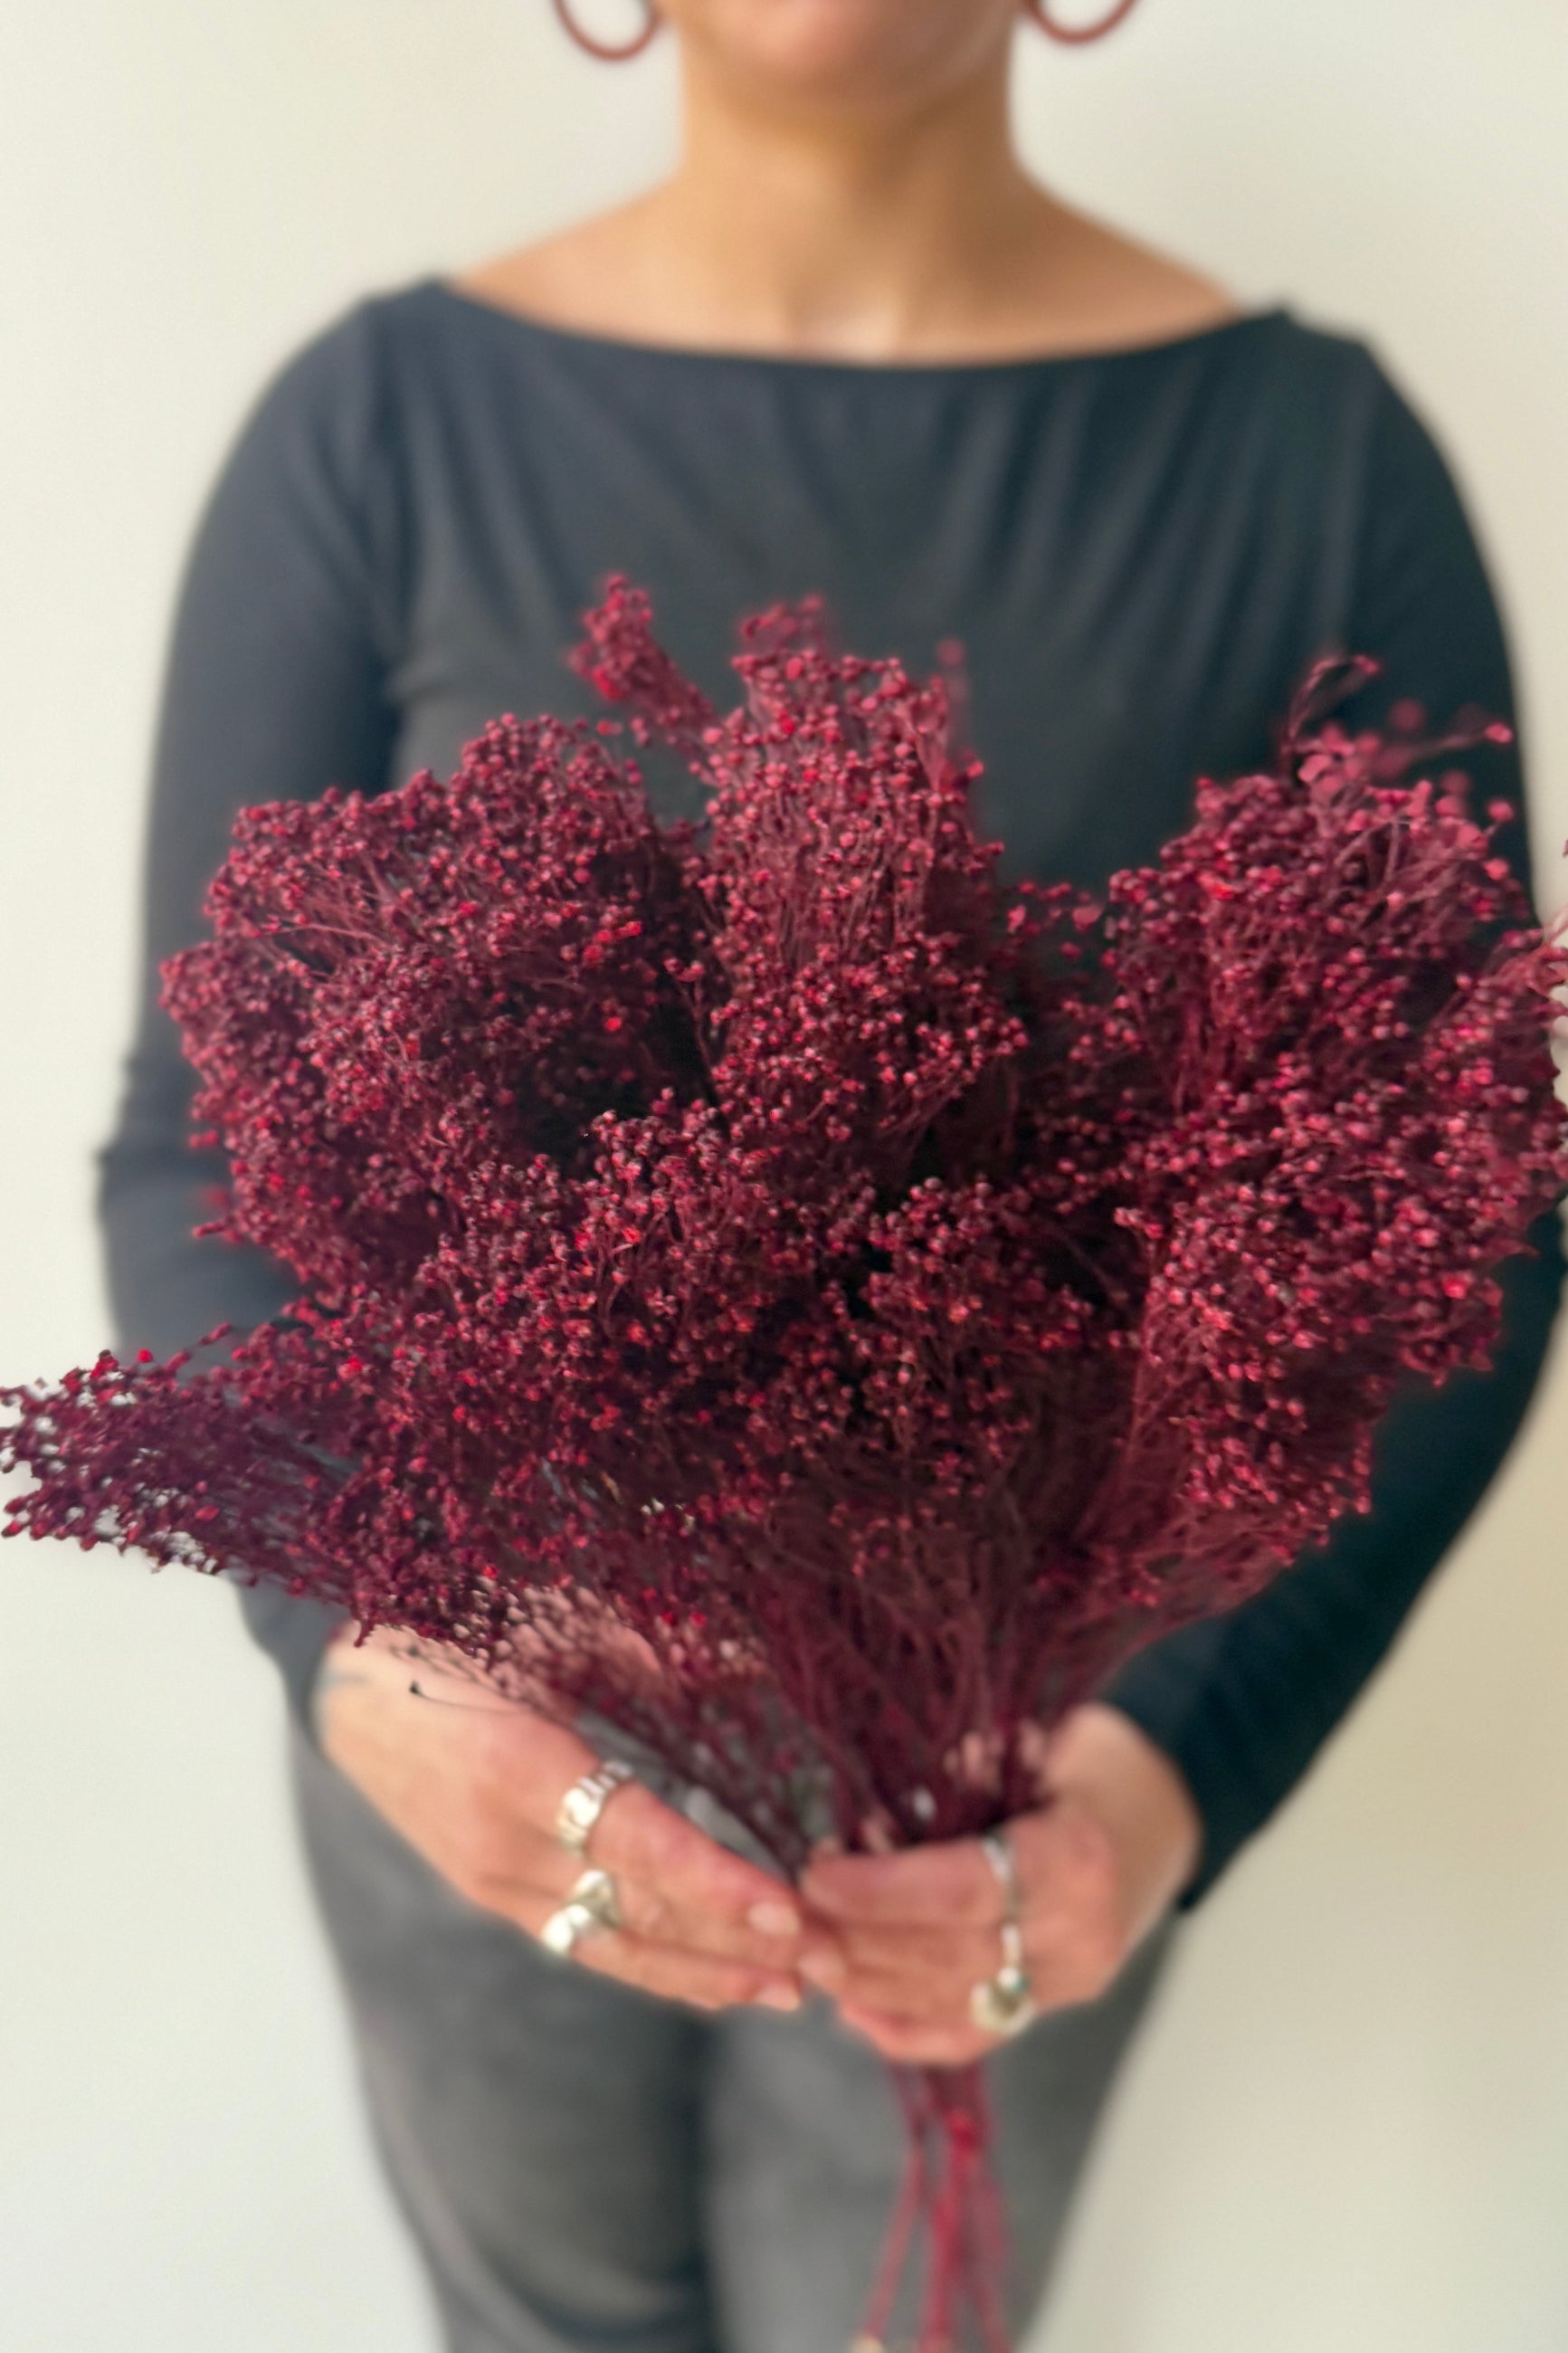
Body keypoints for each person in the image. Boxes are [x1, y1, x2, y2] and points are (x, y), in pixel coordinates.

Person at [100, 2, 1563, 2347]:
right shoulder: (371, 440)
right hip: (490, 1750)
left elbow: (1474, 1218)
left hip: (1030, 1785)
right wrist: (369, 1669)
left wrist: (1164, 1777)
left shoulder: (1312, 460)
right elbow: (192, 1163)